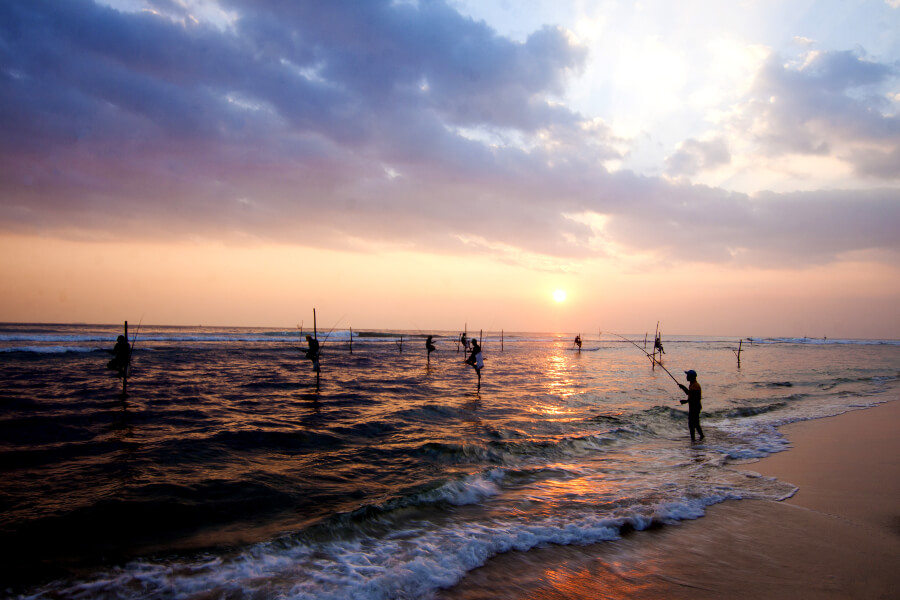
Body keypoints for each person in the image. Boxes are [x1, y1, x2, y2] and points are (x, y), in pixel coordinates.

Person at [678, 369, 704, 442]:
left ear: (691, 377)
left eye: (687, 375)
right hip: (695, 407)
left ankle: (694, 440)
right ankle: (699, 438)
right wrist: (683, 387)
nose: (686, 377)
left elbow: (694, 398)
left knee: (692, 425)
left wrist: (685, 401)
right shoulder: (693, 384)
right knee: (695, 424)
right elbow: (689, 394)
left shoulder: (695, 386)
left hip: (695, 407)